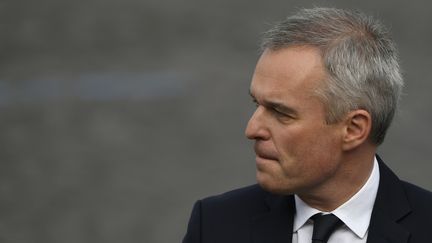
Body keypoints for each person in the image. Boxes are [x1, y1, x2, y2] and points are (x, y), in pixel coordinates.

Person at [183, 7, 432, 243]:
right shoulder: (216, 225)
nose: (252, 130)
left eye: (281, 112)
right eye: (256, 104)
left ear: (354, 129)